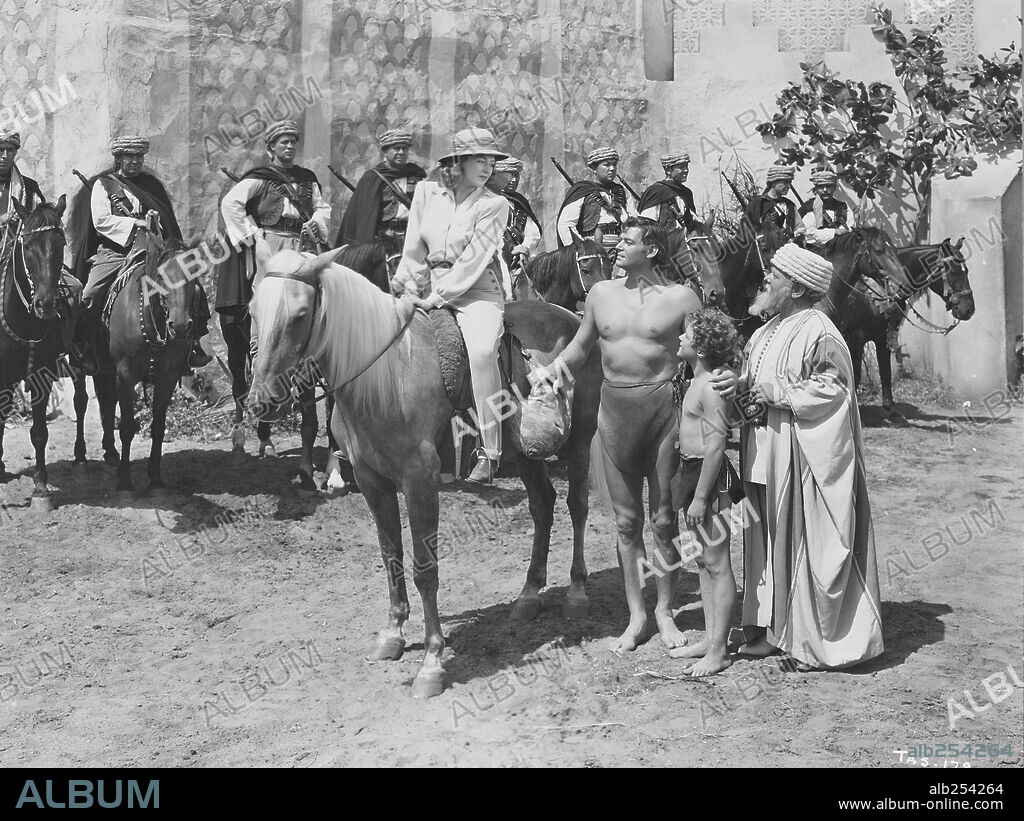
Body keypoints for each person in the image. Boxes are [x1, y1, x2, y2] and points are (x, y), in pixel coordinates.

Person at [531, 217, 736, 653]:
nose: (617, 246)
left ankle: (664, 610)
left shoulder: (682, 298)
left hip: (663, 415)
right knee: (626, 523)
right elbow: (581, 346)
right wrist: (551, 373)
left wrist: (729, 375)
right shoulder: (600, 294)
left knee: (663, 522)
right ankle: (636, 616)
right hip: (613, 416)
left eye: (626, 241)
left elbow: (713, 345)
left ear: (653, 251)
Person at [737, 243, 884, 670]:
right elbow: (752, 387)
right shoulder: (763, 331)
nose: (766, 281)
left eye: (776, 276)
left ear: (797, 287)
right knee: (765, 544)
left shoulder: (820, 329)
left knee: (802, 542)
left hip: (800, 458)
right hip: (761, 454)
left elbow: (836, 389)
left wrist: (779, 394)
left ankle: (811, 641)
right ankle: (770, 630)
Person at [391, 127, 511, 484]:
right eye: (479, 159)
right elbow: (413, 249)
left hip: (477, 294)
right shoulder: (427, 194)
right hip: (427, 286)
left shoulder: (495, 204)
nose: (488, 167)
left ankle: (489, 453)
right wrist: (404, 287)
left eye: (491, 160)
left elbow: (475, 260)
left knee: (480, 353)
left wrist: (436, 298)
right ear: (456, 163)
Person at [71, 135, 211, 374]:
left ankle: (191, 345)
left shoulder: (152, 186)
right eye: (129, 156)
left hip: (156, 252)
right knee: (90, 293)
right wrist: (137, 223)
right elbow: (101, 221)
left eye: (139, 156)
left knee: (194, 288)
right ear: (119, 158)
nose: (135, 161)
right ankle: (84, 348)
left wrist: (155, 224)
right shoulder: (104, 185)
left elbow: (168, 223)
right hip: (116, 252)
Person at [215, 119, 330, 387]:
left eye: (293, 142)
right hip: (271, 245)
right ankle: (260, 353)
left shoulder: (307, 179)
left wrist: (317, 221)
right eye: (283, 142)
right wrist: (253, 237)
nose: (289, 146)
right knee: (266, 300)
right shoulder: (259, 178)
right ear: (272, 147)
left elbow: (321, 208)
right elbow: (230, 204)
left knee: (317, 293)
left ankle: (317, 353)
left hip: (301, 244)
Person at [668, 309, 743, 676]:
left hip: (709, 481)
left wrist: (700, 497)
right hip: (690, 474)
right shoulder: (694, 380)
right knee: (699, 559)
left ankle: (720, 650)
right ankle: (710, 638)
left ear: (699, 346)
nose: (680, 338)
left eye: (686, 335)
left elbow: (716, 446)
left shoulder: (712, 386)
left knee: (717, 562)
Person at [335, 128, 426, 265]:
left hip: (413, 235)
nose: (401, 152)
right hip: (386, 238)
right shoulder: (372, 178)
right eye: (396, 148)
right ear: (385, 150)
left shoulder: (417, 175)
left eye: (405, 149)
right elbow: (363, 217)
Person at [555, 146, 638, 255]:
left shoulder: (622, 192)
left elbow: (635, 220)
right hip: (592, 249)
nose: (612, 168)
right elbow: (566, 225)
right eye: (607, 165)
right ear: (594, 168)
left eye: (614, 164)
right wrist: (580, 250)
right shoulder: (582, 191)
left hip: (621, 247)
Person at [486, 156, 541, 298]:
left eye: (516, 175)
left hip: (520, 258)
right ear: (494, 175)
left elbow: (532, 231)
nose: (514, 180)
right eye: (509, 175)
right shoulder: (483, 199)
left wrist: (525, 248)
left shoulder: (519, 202)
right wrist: (509, 249)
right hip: (491, 258)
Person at [638, 152, 700, 233]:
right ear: (668, 170)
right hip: (663, 243)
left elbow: (693, 223)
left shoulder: (686, 193)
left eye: (686, 166)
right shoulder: (656, 191)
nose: (686, 170)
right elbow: (646, 225)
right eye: (681, 167)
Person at [0, 131, 45, 230]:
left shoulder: (30, 187)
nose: (5, 155)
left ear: (15, 152)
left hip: (19, 244)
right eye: (1, 150)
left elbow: (44, 223)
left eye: (10, 150)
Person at [799, 168, 850, 250]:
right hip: (815, 251)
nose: (825, 190)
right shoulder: (808, 208)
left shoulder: (842, 207)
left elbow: (849, 229)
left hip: (841, 251)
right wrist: (835, 232)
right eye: (821, 187)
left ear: (834, 188)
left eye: (828, 186)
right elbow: (810, 233)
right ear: (816, 189)